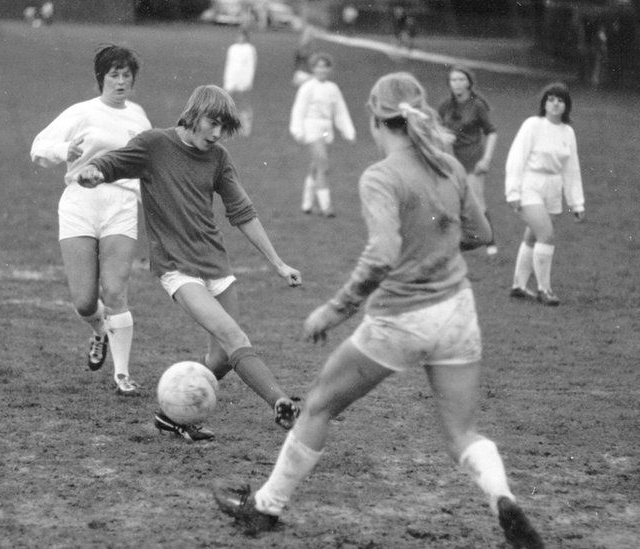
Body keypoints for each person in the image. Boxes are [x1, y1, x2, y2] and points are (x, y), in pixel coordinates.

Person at [213, 72, 543, 549]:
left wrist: (334, 308)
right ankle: (503, 499)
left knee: (321, 404)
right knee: (462, 433)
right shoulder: (450, 167)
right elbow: (483, 233)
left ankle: (265, 507)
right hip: (457, 314)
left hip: (401, 318)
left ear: (375, 119)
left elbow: (383, 254)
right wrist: (437, 250)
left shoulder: (382, 176)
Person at [76, 85, 304, 441]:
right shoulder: (154, 144)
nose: (215, 134)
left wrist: (277, 263)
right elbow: (113, 162)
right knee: (234, 336)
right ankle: (280, 402)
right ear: (194, 114)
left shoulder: (218, 157)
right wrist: (94, 171)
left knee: (226, 356)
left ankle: (171, 416)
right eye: (212, 123)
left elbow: (242, 212)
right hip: (178, 268)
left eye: (222, 129)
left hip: (217, 265)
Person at [30, 45, 152, 396]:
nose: (121, 81)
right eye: (114, 74)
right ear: (102, 78)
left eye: (127, 75)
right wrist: (62, 151)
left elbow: (148, 165)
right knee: (85, 301)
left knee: (115, 290)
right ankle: (99, 330)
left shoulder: (139, 117)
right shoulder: (82, 112)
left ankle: (122, 374)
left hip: (122, 205)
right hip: (80, 205)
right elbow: (39, 146)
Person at [504, 82, 585, 306]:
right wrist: (513, 191)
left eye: (560, 100)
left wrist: (576, 203)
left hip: (553, 187)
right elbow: (516, 157)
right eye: (550, 99)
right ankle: (544, 289)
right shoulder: (533, 125)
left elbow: (572, 168)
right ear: (544, 103)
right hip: (530, 184)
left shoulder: (568, 132)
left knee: (533, 236)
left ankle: (519, 286)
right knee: (546, 236)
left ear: (566, 106)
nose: (555, 104)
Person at [438, 65, 500, 257]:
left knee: (476, 202)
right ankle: (457, 242)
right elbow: (436, 129)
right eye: (453, 80)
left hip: (472, 160)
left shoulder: (477, 105)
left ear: (469, 83)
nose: (456, 84)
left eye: (460, 80)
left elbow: (492, 132)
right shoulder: (445, 106)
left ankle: (490, 242)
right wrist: (441, 136)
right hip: (450, 161)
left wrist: (486, 159)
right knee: (450, 203)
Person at [289, 52, 356, 217]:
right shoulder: (307, 87)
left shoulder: (333, 88)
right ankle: (326, 207)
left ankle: (307, 204)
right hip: (311, 128)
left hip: (326, 130)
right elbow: (298, 110)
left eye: (325, 67)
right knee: (322, 165)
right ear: (313, 69)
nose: (322, 70)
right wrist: (297, 130)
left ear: (329, 70)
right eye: (318, 67)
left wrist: (348, 131)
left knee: (315, 166)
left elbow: (340, 111)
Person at [223, 29, 257, 136]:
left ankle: (246, 126)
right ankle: (227, 125)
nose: (239, 38)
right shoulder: (232, 48)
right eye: (238, 36)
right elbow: (228, 64)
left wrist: (248, 80)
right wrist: (227, 79)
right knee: (227, 100)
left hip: (243, 78)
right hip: (232, 77)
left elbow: (251, 66)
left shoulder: (250, 49)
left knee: (243, 102)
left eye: (242, 36)